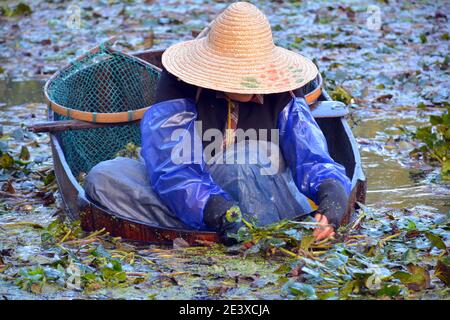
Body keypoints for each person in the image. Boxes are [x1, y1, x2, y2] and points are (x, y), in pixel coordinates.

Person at [85, 2, 351, 245]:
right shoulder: (180, 84)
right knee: (106, 177)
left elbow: (312, 157)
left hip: (268, 189)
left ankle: (255, 235)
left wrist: (332, 192)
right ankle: (213, 229)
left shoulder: (283, 87)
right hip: (197, 196)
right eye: (242, 74)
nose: (252, 82)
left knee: (241, 160)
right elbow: (173, 168)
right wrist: (214, 207)